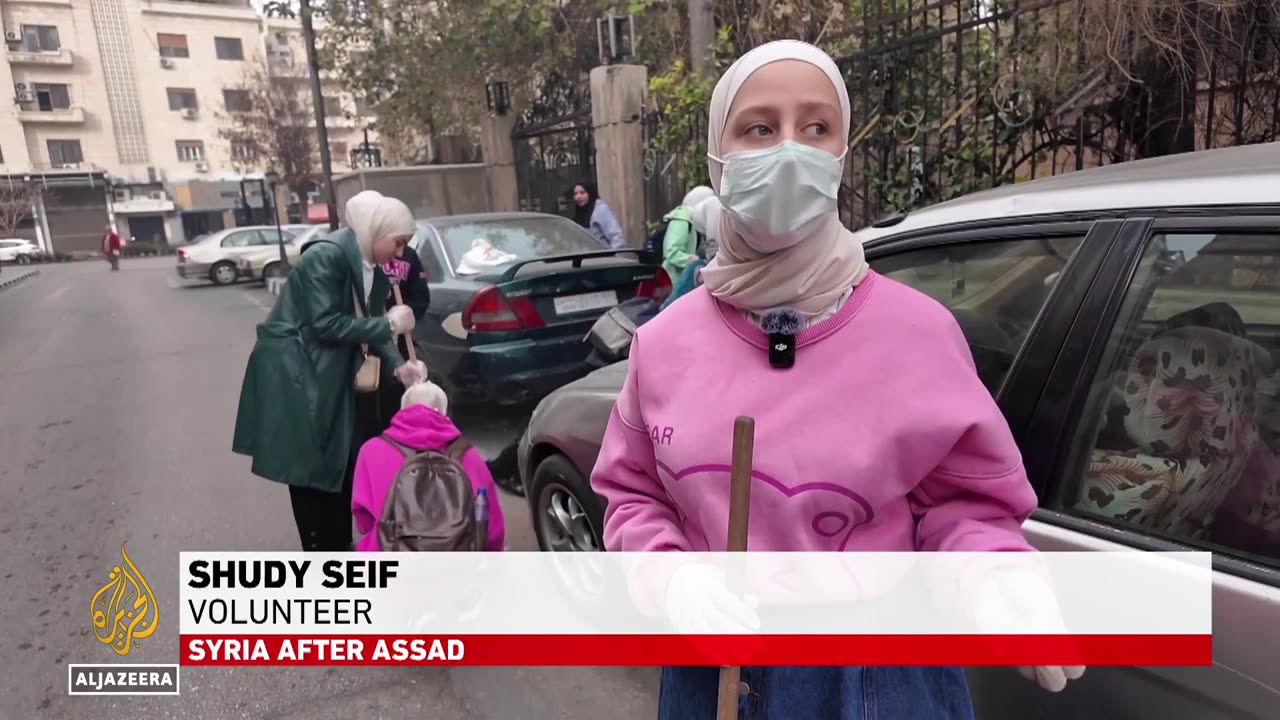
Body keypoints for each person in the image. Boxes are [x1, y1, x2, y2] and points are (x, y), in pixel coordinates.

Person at [588, 40, 1084, 719]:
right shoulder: (665, 344)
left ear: (841, 152)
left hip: (879, 682)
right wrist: (668, 577)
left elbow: (967, 505)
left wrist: (992, 573)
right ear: (718, 157)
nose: (790, 150)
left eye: (815, 128)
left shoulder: (918, 334)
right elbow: (631, 496)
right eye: (760, 127)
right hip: (712, 678)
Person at [233, 190, 428, 552]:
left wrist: (400, 367)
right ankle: (323, 549)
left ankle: (337, 544)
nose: (400, 253)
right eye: (398, 243)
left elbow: (366, 323)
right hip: (297, 375)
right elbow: (325, 323)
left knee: (338, 460)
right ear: (375, 231)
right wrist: (387, 325)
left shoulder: (370, 267)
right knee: (311, 466)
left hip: (327, 373)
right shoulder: (327, 256)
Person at [351, 381, 505, 551]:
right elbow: (492, 529)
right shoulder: (470, 456)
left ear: (402, 411)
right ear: (445, 415)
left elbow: (363, 522)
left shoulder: (371, 451)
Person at [378, 241, 431, 431]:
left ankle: (404, 433)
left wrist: (405, 315)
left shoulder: (408, 255)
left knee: (400, 388)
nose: (399, 249)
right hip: (369, 341)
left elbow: (422, 297)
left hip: (401, 339)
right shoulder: (366, 257)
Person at [658, 186, 714, 287]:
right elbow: (672, 252)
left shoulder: (692, 221)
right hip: (673, 280)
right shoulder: (682, 220)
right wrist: (693, 260)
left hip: (682, 278)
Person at [570, 181, 625, 248]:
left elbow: (617, 237)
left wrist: (609, 255)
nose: (578, 196)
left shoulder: (600, 210)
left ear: (590, 193)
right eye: (575, 194)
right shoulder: (579, 213)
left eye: (582, 193)